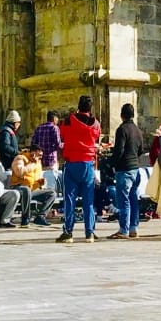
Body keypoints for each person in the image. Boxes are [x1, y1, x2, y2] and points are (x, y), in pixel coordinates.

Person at [57, 94, 102, 243]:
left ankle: (68, 232)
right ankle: (89, 232)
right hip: (88, 163)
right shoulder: (95, 124)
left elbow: (62, 135)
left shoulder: (68, 121)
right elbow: (96, 137)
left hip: (72, 163)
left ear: (78, 106)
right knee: (89, 200)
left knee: (69, 199)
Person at [110, 103, 145, 240]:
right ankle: (133, 228)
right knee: (133, 200)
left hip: (124, 169)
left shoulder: (122, 129)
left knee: (123, 201)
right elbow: (141, 149)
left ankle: (123, 229)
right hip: (135, 169)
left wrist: (112, 163)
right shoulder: (137, 130)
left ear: (121, 115)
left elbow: (119, 150)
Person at [12, 147, 57, 227]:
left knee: (52, 193)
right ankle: (25, 218)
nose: (40, 157)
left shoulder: (38, 163)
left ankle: (40, 216)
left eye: (41, 156)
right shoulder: (20, 158)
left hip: (32, 189)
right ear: (32, 152)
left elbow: (35, 178)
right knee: (26, 190)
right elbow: (19, 172)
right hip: (19, 188)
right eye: (39, 155)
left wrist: (40, 183)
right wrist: (32, 164)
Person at [29, 110, 63, 188]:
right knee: (51, 185)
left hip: (39, 161)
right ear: (54, 118)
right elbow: (58, 144)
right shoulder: (54, 128)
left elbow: (33, 144)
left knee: (41, 184)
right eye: (57, 119)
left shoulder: (39, 128)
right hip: (51, 161)